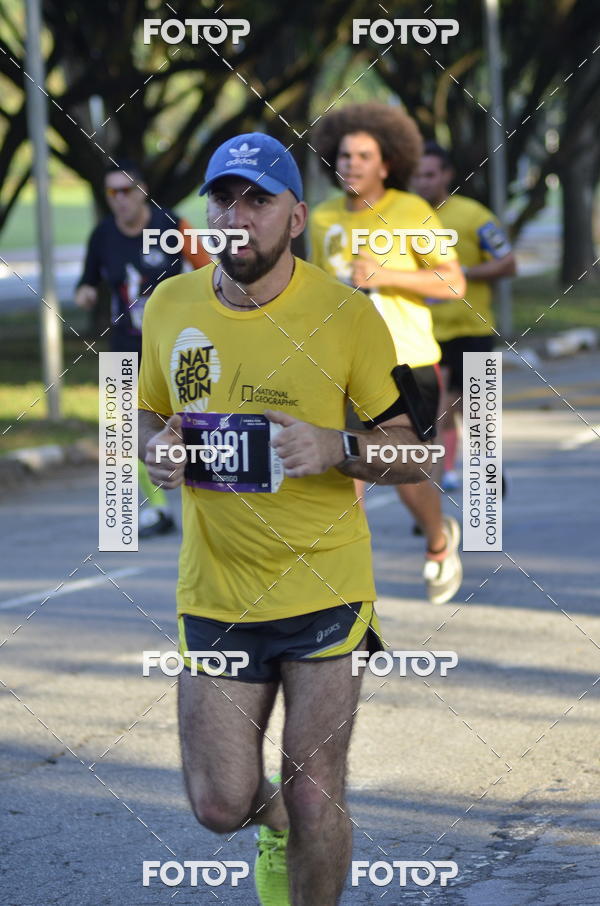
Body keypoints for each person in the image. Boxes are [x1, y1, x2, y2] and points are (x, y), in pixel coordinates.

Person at [138, 133, 438, 906]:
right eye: (222, 199)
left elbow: (416, 455)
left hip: (325, 589)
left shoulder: (347, 315)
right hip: (216, 592)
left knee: (316, 791)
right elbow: (140, 418)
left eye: (257, 200)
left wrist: (337, 446)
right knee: (217, 805)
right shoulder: (170, 305)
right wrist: (155, 451)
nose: (236, 217)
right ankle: (272, 825)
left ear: (295, 216)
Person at [310, 103, 465, 605]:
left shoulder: (410, 211)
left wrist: (387, 276)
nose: (350, 163)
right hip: (340, 366)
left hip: (407, 362)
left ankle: (439, 543)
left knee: (402, 470)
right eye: (343, 155)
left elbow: (453, 281)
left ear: (386, 163)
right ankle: (347, 582)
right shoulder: (323, 217)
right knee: (346, 466)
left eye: (363, 155)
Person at [75, 159, 210, 537]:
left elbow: (210, 272)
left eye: (126, 191)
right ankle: (155, 510)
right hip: (124, 346)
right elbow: (88, 281)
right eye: (111, 192)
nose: (119, 200)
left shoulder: (172, 225)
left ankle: (215, 496)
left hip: (176, 346)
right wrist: (84, 294)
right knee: (122, 430)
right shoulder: (102, 236)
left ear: (142, 191)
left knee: (191, 422)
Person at [413, 142, 516, 490]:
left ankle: (487, 473)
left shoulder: (475, 216)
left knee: (476, 411)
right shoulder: (402, 219)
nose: (423, 182)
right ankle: (439, 486)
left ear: (446, 175)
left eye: (429, 174)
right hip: (426, 334)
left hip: (473, 328)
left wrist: (464, 275)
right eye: (417, 175)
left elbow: (508, 262)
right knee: (437, 411)